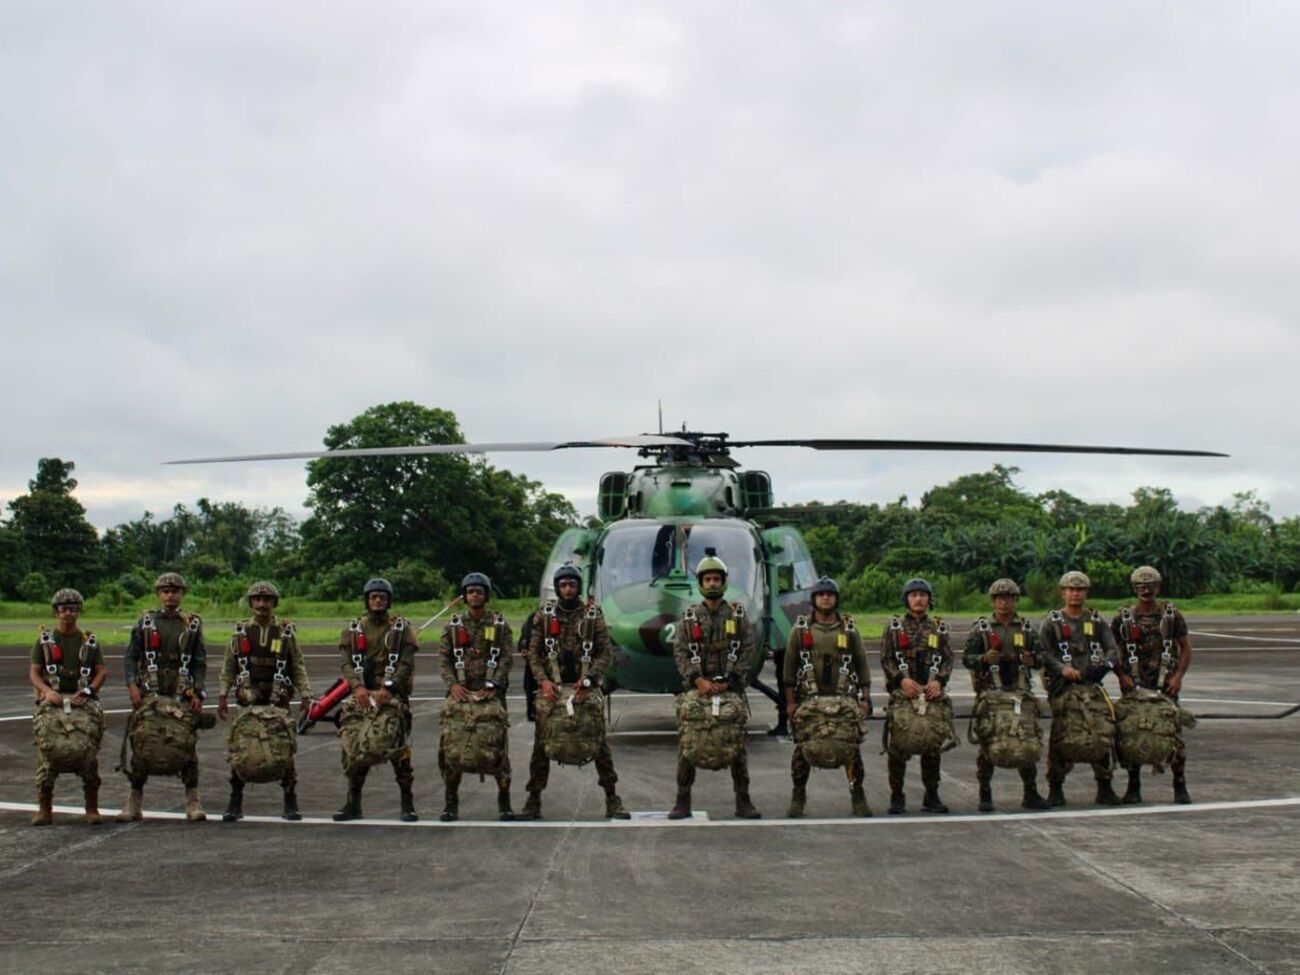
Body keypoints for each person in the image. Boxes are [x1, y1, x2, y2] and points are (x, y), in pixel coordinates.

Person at [519, 564, 630, 820]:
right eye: (563, 585)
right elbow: (533, 653)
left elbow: (605, 652)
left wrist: (589, 679)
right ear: (557, 588)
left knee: (599, 743)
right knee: (541, 744)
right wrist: (543, 681)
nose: (568, 589)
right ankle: (533, 800)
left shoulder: (592, 615)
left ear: (579, 587)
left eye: (572, 584)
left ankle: (612, 798)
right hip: (553, 688)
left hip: (584, 686)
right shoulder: (544, 616)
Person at [669, 555, 760, 820]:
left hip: (729, 688)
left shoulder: (737, 616)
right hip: (698, 688)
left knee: (737, 745)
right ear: (701, 583)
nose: (712, 583)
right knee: (688, 744)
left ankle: (743, 800)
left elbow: (748, 649)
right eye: (707, 579)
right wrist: (696, 680)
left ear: (723, 582)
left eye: (716, 579)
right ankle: (682, 800)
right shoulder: (689, 618)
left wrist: (731, 680)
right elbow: (680, 652)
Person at [118, 572, 209, 822]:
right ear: (158, 594)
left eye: (175, 591)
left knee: (187, 744)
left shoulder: (191, 624)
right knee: (141, 743)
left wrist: (198, 691)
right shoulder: (145, 623)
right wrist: (132, 685)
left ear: (182, 594)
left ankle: (193, 801)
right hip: (150, 692)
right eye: (165, 591)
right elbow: (131, 656)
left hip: (181, 692)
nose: (170, 596)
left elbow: (199, 662)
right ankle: (134, 801)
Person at [217, 581, 312, 821]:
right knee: (241, 747)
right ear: (251, 603)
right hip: (247, 698)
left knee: (284, 747)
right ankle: (235, 802)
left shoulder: (285, 633)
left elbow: (297, 665)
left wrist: (305, 694)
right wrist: (222, 694)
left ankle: (290, 801)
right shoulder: (240, 633)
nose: (262, 604)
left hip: (277, 698)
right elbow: (229, 667)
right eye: (257, 599)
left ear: (274, 603)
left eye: (267, 600)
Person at [1039, 570, 1131, 807]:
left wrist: (1104, 667)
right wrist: (1062, 669)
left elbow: (1112, 650)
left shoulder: (1096, 621)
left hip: (1091, 686)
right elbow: (1042, 653)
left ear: (1086, 593)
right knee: (1061, 734)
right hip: (1063, 688)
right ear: (1063, 593)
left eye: (1080, 590)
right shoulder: (1051, 622)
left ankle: (1104, 785)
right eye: (1071, 589)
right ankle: (1055, 787)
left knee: (1101, 730)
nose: (1075, 594)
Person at [783, 576, 872, 817]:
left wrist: (865, 698)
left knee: (851, 748)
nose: (825, 598)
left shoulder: (849, 629)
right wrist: (790, 703)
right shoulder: (801, 629)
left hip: (843, 699)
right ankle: (798, 796)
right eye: (820, 595)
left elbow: (862, 666)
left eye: (829, 594)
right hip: (808, 700)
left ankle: (858, 795)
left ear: (836, 599)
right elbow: (789, 669)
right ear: (813, 599)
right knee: (803, 748)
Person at [332, 577, 420, 822]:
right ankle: (353, 802)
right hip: (362, 694)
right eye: (374, 597)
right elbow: (346, 663)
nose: (378, 600)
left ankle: (407, 803)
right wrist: (358, 687)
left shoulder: (401, 629)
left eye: (382, 597)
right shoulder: (354, 630)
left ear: (388, 600)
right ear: (367, 600)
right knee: (354, 747)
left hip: (391, 695)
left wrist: (389, 688)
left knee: (397, 749)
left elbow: (406, 663)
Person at [961, 579, 1051, 812]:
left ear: (1016, 600)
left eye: (1009, 598)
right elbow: (966, 659)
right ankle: (985, 792)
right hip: (991, 693)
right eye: (999, 598)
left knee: (1026, 739)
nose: (1004, 602)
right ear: (992, 601)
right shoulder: (981, 629)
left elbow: (1043, 657)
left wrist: (1033, 660)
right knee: (988, 741)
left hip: (1020, 692)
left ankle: (1030, 791)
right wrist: (983, 659)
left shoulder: (1026, 629)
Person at [1111, 565, 1194, 804]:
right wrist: (1121, 676)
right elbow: (1112, 651)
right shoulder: (1123, 617)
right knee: (1131, 734)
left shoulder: (1171, 615)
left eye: (1150, 586)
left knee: (1173, 733)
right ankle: (1133, 785)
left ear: (1158, 587)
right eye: (1140, 586)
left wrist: (1177, 677)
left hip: (1165, 685)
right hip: (1134, 685)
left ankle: (1180, 784)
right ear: (1134, 588)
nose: (1146, 590)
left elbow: (1185, 648)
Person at [438, 572, 514, 822]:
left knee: (498, 748)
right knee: (451, 747)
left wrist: (494, 684)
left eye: (479, 592)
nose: (475, 596)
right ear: (464, 596)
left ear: (486, 595)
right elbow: (444, 659)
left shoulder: (499, 626)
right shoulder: (453, 626)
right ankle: (451, 802)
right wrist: (452, 685)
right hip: (460, 695)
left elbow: (505, 658)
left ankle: (504, 802)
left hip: (490, 694)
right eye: (470, 592)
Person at [28, 588, 107, 825]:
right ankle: (44, 808)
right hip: (53, 698)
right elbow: (34, 672)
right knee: (47, 753)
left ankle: (92, 807)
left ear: (79, 611)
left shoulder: (89, 642)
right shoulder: (44, 641)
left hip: (81, 698)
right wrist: (47, 691)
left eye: (73, 609)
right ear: (56, 612)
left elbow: (101, 671)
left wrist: (89, 691)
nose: (69, 613)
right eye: (64, 609)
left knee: (88, 753)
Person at [880, 577, 953, 814]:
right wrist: (901, 680)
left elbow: (948, 659)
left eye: (923, 595)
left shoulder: (939, 628)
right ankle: (896, 795)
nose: (919, 599)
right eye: (914, 595)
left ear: (929, 599)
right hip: (904, 694)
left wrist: (939, 681)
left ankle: (931, 794)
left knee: (932, 745)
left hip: (930, 693)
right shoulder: (894, 628)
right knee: (898, 746)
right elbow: (886, 659)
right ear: (906, 599)